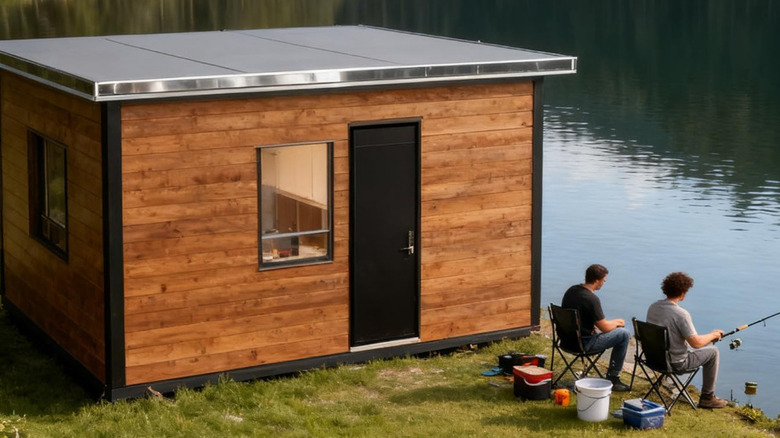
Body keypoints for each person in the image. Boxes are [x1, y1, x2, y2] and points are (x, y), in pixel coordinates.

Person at [646, 272, 728, 409]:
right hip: (675, 363)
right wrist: (713, 335)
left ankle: (667, 382)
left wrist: (708, 338)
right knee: (713, 352)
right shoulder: (681, 314)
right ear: (683, 292)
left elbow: (690, 340)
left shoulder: (653, 307)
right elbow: (695, 342)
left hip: (654, 359)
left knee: (705, 344)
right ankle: (707, 397)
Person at [561, 264, 631, 391]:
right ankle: (613, 377)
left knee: (606, 330)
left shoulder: (571, 290)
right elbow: (604, 327)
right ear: (597, 280)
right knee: (623, 334)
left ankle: (613, 377)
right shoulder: (591, 299)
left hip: (566, 340)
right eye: (604, 280)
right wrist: (618, 322)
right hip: (583, 344)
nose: (604, 282)